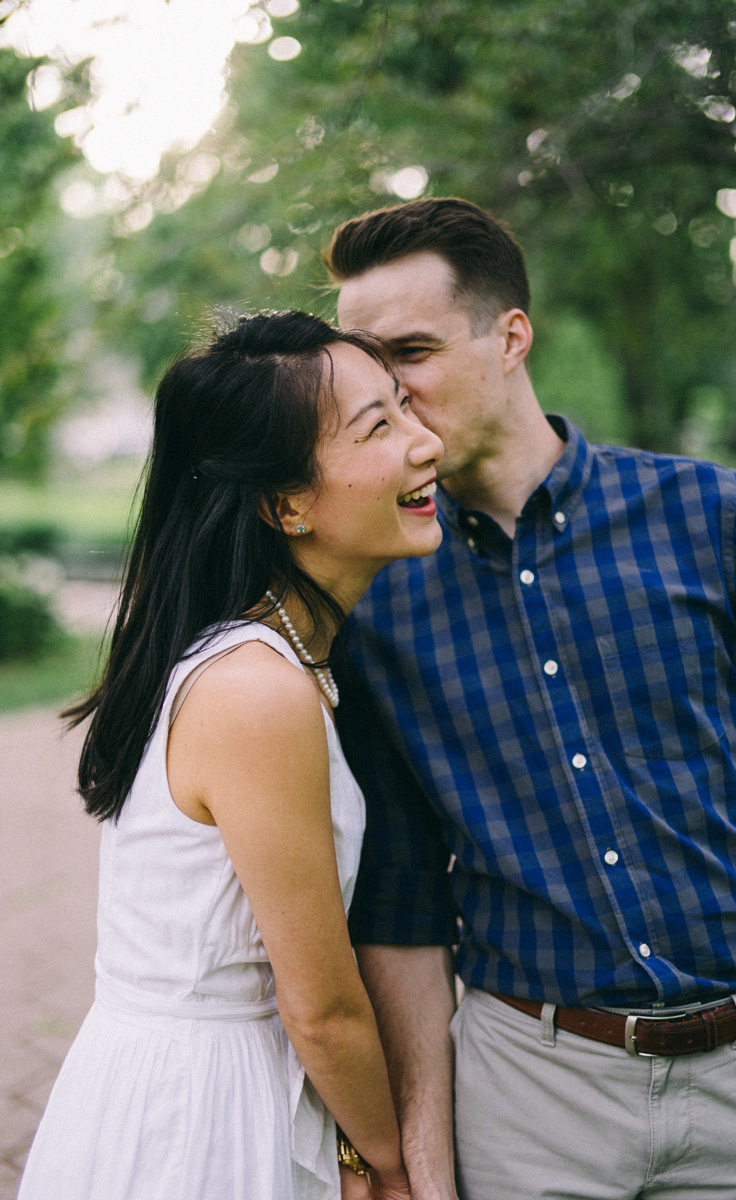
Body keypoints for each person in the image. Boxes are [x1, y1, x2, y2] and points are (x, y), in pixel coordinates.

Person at [324, 198, 736, 1200]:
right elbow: (402, 900)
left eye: (410, 350)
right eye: (365, 363)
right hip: (533, 1093)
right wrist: (422, 1160)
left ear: (510, 336)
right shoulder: (375, 597)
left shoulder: (709, 516)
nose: (388, 391)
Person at [18, 309, 444, 1200]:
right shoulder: (258, 689)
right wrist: (390, 1162)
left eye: (407, 406)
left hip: (201, 1080)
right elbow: (322, 1009)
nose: (424, 442)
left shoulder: (276, 657)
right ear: (286, 503)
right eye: (379, 426)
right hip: (205, 1121)